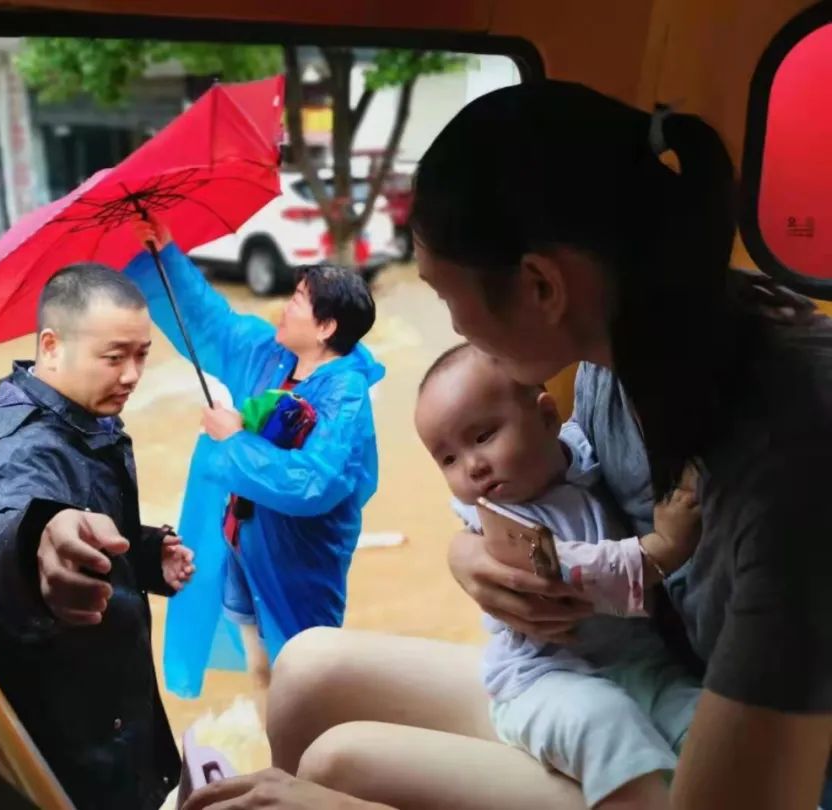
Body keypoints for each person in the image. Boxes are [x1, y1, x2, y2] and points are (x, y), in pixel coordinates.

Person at [185, 80, 832, 810]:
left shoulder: (796, 455)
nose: (454, 328)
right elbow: (555, 499)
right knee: (306, 670)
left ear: (539, 287)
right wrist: (472, 557)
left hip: (756, 767)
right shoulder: (613, 363)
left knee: (339, 769)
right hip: (633, 680)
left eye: (442, 294)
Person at [415, 343, 701, 808]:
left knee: (702, 720)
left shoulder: (584, 454)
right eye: (447, 459)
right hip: (545, 678)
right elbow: (572, 575)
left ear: (548, 418)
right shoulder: (498, 519)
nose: (472, 466)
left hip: (640, 662)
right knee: (604, 723)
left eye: (483, 435)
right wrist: (661, 551)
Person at [0, 263, 195, 810]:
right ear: (51, 346)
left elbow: (98, 524)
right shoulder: (25, 446)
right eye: (114, 357)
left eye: (142, 355)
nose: (133, 375)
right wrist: (38, 541)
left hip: (108, 709)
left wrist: (149, 554)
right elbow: (6, 526)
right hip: (69, 740)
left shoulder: (86, 420)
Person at [124, 216, 383, 705]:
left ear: (325, 327)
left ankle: (307, 769)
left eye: (298, 303)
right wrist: (164, 255)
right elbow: (208, 321)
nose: (284, 309)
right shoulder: (270, 356)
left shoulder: (345, 395)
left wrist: (234, 438)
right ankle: (277, 766)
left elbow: (314, 483)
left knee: (306, 677)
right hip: (243, 543)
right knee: (261, 667)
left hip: (299, 561)